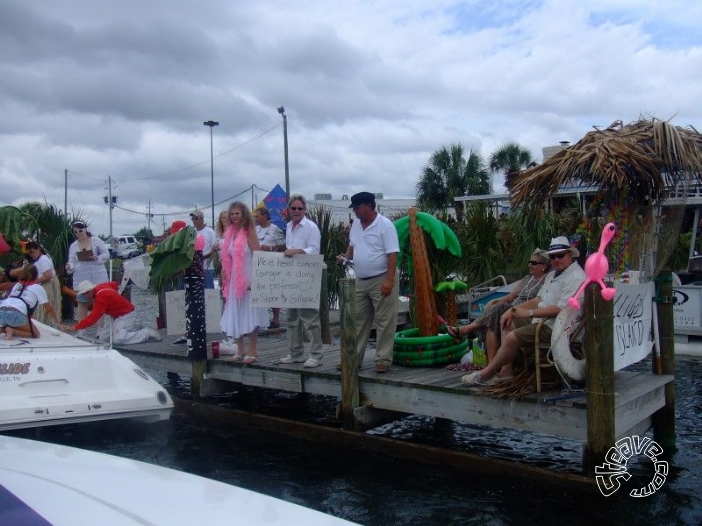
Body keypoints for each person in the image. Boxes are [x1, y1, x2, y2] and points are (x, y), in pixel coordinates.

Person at [461, 236, 586, 386]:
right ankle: (505, 372)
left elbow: (562, 309)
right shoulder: (552, 275)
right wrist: (514, 310)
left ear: (570, 255)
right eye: (553, 256)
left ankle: (485, 373)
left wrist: (528, 313)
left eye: (560, 255)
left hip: (558, 327)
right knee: (505, 320)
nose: (556, 259)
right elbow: (538, 300)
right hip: (542, 320)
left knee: (512, 335)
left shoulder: (576, 277)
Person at [447, 248, 549, 363]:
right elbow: (510, 297)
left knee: (498, 310)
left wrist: (509, 308)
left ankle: (467, 329)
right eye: (529, 262)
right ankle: (492, 364)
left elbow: (539, 302)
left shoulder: (547, 281)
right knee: (494, 316)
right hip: (509, 310)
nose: (530, 265)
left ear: (544, 266)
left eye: (534, 263)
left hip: (523, 314)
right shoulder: (526, 279)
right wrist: (494, 301)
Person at [337, 191, 399, 373]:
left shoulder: (385, 225)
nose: (355, 211)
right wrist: (345, 257)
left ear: (369, 206)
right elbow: (352, 245)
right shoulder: (356, 224)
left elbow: (392, 254)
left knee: (385, 321)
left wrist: (389, 280)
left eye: (357, 208)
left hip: (382, 277)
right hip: (361, 279)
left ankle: (383, 360)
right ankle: (353, 359)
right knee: (357, 320)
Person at [219, 202, 269, 363]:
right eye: (232, 214)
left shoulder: (250, 232)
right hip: (234, 278)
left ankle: (253, 350)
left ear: (244, 214)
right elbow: (227, 259)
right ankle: (240, 349)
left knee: (251, 311)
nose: (234, 217)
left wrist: (256, 279)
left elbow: (258, 256)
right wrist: (225, 276)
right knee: (236, 311)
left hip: (248, 276)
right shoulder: (230, 233)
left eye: (237, 214)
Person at [278, 194, 324, 368]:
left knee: (310, 318)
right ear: (289, 210)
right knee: (292, 317)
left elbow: (314, 250)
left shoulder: (311, 227)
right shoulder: (288, 226)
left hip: (307, 277)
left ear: (305, 210)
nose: (296, 211)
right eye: (293, 208)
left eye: (300, 208)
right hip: (291, 277)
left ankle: (316, 355)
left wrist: (297, 251)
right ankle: (295, 353)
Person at [59, 280, 162, 344]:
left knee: (118, 340)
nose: (85, 296)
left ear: (91, 290)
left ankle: (145, 334)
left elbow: (93, 318)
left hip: (127, 314)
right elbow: (114, 284)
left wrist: (74, 327)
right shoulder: (100, 286)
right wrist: (116, 292)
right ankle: (132, 327)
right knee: (103, 339)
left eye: (86, 293)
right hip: (116, 316)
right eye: (83, 294)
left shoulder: (101, 298)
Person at [66, 220, 110, 321]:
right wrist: (69, 266)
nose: (78, 234)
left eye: (80, 231)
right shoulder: (73, 246)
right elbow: (71, 261)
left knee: (99, 301)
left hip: (98, 275)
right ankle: (82, 329)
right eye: (75, 232)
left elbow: (106, 255)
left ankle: (101, 330)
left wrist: (96, 257)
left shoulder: (96, 241)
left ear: (85, 230)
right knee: (82, 302)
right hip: (81, 276)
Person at [9, 241, 62, 325]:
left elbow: (48, 275)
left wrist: (33, 282)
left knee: (44, 306)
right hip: (45, 283)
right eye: (29, 253)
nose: (31, 254)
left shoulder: (43, 259)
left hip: (48, 284)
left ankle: (49, 323)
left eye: (32, 252)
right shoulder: (42, 257)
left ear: (39, 249)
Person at [0, 265, 60, 339]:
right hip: (15, 313)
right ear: (37, 275)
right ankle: (12, 331)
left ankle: (2, 329)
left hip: (1, 312)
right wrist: (57, 322)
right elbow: (48, 308)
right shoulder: (37, 287)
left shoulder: (17, 285)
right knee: (36, 334)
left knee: (12, 321)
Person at [254, 207, 286, 328]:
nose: (255, 219)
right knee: (260, 292)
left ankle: (276, 319)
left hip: (273, 265)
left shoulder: (275, 229)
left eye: (257, 216)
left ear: (264, 216)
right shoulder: (255, 230)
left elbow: (284, 245)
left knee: (274, 292)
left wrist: (271, 248)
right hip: (258, 265)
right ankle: (260, 319)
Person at [190, 210, 217, 289]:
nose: (194, 221)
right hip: (195, 267)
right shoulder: (192, 232)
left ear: (202, 219)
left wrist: (201, 257)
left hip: (207, 267)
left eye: (196, 218)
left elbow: (214, 249)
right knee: (197, 292)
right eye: (192, 219)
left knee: (209, 292)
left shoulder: (210, 232)